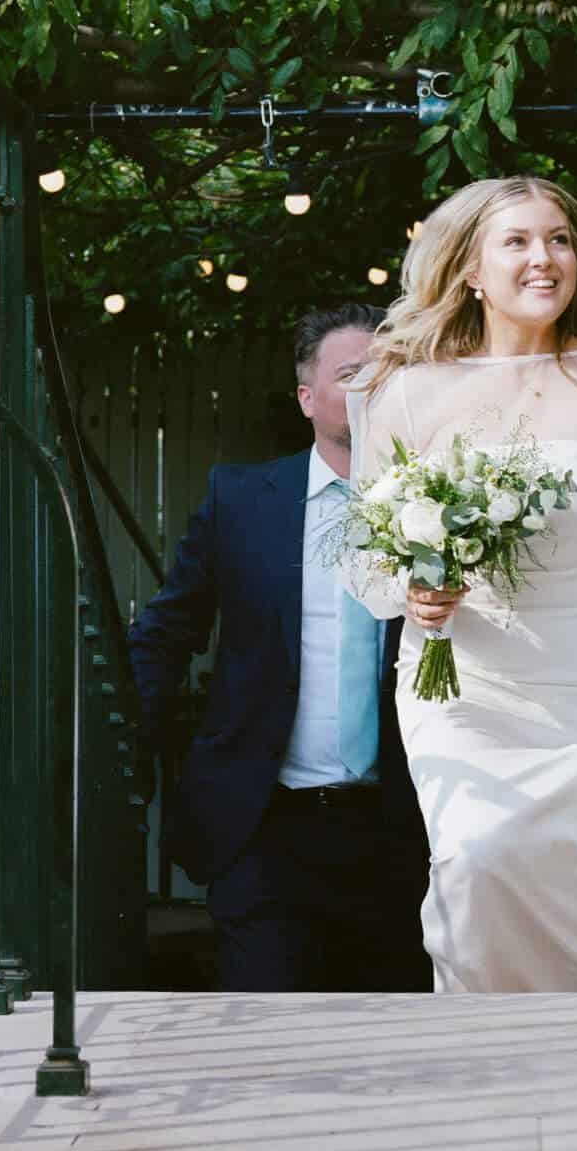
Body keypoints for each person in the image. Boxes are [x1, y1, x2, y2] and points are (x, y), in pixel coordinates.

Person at [348, 177, 577, 993]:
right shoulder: (406, 390)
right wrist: (415, 590)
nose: (543, 259)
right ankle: (487, 1067)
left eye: (558, 239)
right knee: (475, 861)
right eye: (517, 242)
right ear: (471, 272)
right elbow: (368, 549)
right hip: (466, 689)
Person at [128, 303, 430, 993]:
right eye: (350, 373)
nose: (368, 389)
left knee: (389, 1049)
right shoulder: (241, 499)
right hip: (263, 827)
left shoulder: (438, 504)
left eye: (384, 373)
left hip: (396, 830)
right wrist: (125, 748)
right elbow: (169, 631)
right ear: (306, 396)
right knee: (263, 1039)